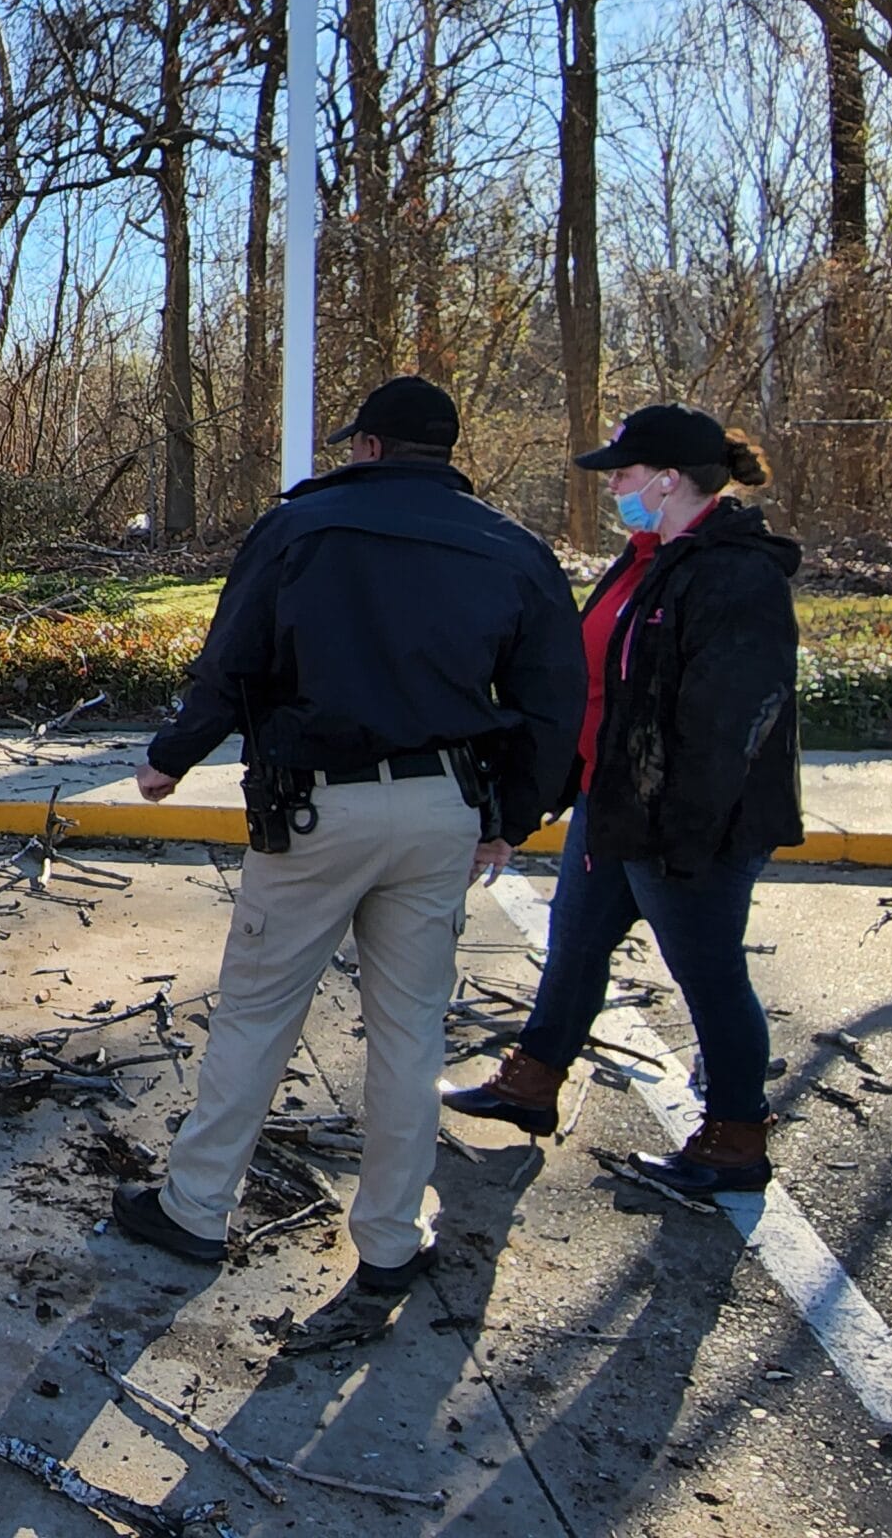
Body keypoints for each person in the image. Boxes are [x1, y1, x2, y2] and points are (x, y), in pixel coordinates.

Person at [114, 376, 586, 1295]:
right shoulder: (512, 549)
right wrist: (511, 817)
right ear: (445, 454)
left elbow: (233, 656)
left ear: (367, 448)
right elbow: (554, 702)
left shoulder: (301, 528)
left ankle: (195, 1209)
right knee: (411, 1033)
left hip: (317, 809)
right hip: (443, 808)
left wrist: (174, 754)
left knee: (257, 1013)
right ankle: (391, 1241)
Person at [443, 404, 801, 1196]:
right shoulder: (650, 558)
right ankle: (532, 1084)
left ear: (670, 479)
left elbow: (729, 719)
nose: (616, 490)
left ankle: (736, 1137)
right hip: (617, 806)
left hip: (683, 826)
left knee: (707, 973)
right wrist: (540, 799)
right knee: (573, 947)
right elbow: (600, 692)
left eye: (627, 475)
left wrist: (684, 832)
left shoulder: (735, 571)